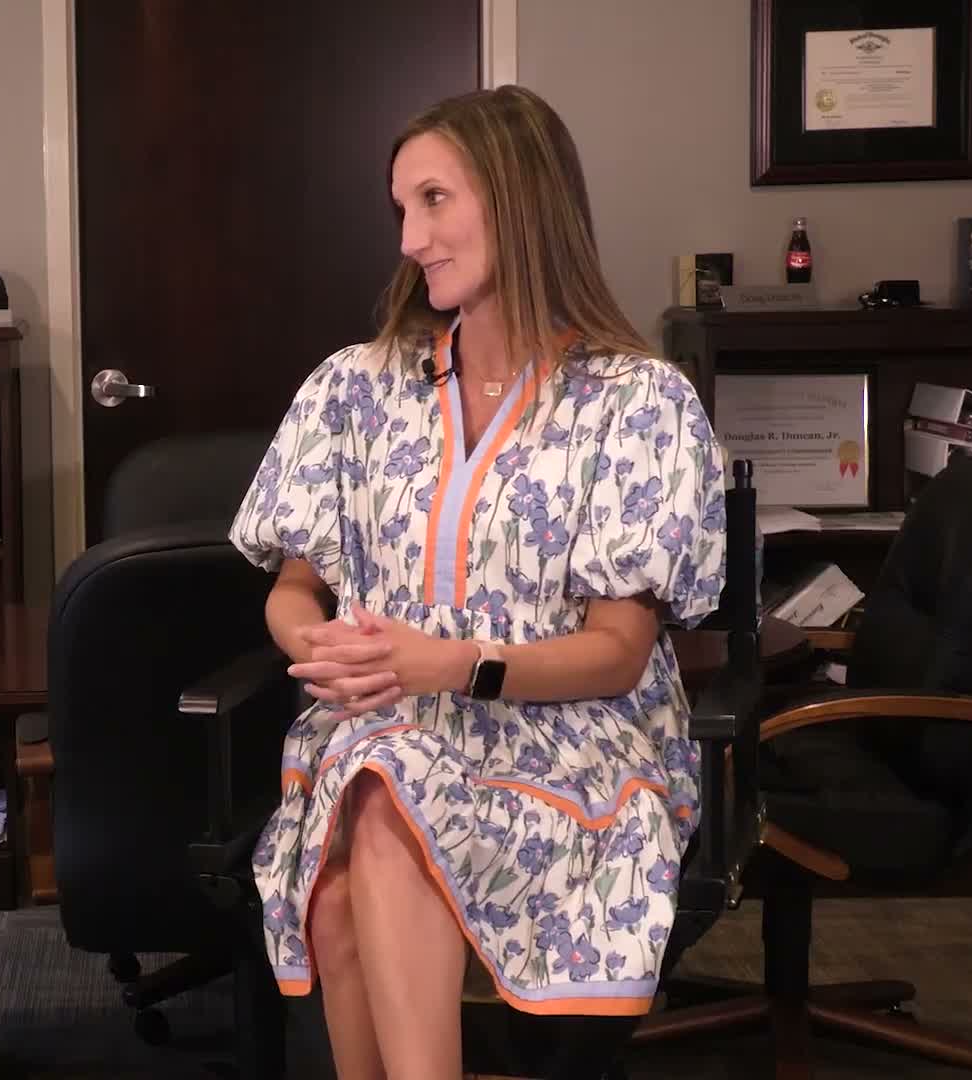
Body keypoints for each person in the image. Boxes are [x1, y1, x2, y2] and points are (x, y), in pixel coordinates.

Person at [229, 85, 725, 1079]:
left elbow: (618, 655)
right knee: (365, 811)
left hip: (572, 739)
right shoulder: (355, 387)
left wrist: (451, 664)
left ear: (519, 198)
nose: (409, 240)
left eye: (434, 201)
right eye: (401, 209)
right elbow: (292, 588)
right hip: (381, 720)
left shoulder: (637, 402)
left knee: (376, 808)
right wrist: (322, 647)